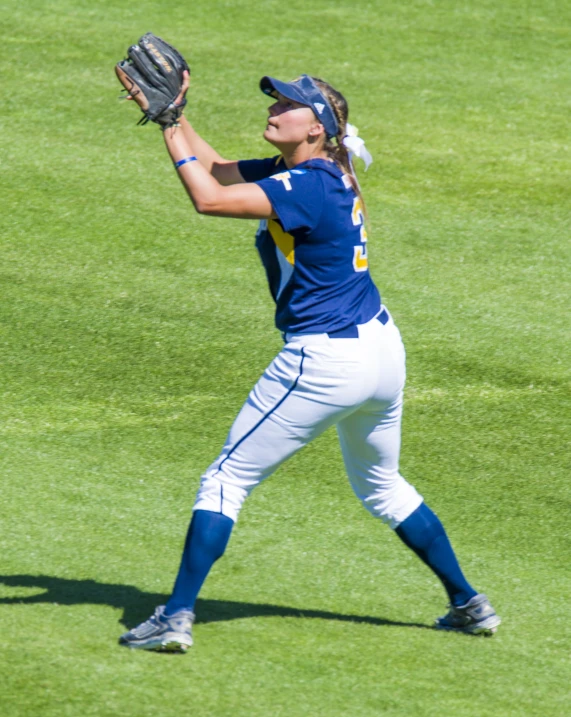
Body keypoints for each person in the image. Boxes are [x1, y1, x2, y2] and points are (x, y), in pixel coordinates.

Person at [119, 72, 500, 652]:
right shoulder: (318, 172)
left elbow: (208, 198)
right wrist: (178, 115)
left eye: (288, 104)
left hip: (324, 361)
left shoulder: (305, 187)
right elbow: (219, 168)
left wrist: (170, 124)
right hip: (380, 349)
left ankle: (175, 617)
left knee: (225, 480)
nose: (274, 108)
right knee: (383, 486)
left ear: (316, 126)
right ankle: (469, 604)